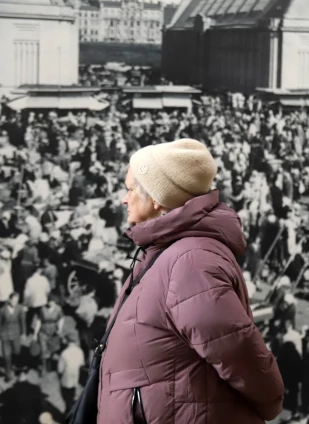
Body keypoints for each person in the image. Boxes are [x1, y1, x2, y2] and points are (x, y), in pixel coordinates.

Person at [97, 139, 284, 424]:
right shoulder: (170, 250)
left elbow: (238, 351)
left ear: (157, 198)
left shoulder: (191, 261)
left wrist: (270, 402)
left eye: (130, 189)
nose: (124, 198)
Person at [0, 292, 26, 382]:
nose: (15, 302)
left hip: (16, 335)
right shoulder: (2, 310)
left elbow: (22, 321)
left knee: (17, 352)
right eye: (14, 300)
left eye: (17, 301)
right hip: (5, 336)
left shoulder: (20, 309)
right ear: (9, 300)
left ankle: (18, 370)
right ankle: (8, 374)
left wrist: (23, 333)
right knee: (6, 355)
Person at [57, 331, 85, 412]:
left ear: (66, 341)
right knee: (74, 399)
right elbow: (81, 364)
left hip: (66, 381)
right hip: (76, 380)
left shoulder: (64, 353)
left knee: (68, 400)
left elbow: (60, 369)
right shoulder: (80, 351)